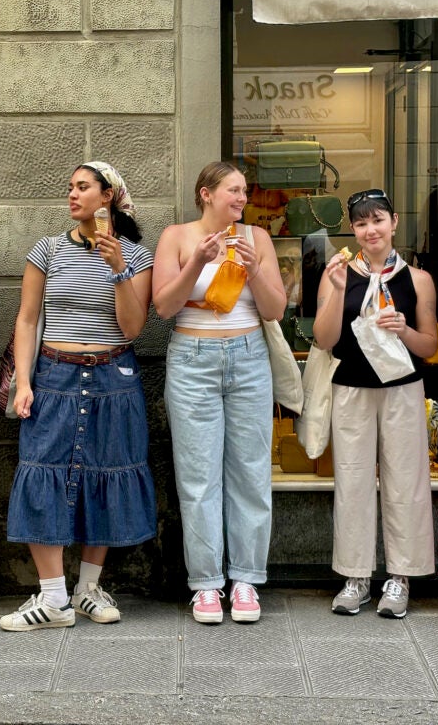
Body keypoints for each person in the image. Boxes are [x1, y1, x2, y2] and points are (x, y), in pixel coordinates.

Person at [1, 161, 156, 632]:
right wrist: (24, 381)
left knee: (107, 473)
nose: (72, 194)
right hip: (54, 374)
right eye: (70, 186)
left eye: (82, 187)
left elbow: (133, 327)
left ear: (107, 196)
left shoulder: (138, 256)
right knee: (41, 470)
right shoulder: (47, 250)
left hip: (114, 376)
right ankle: (52, 598)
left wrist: (118, 269)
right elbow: (27, 320)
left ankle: (87, 589)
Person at [152, 161, 286, 624]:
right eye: (234, 190)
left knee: (251, 470)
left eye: (245, 191)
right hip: (193, 358)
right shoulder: (177, 236)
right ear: (205, 193)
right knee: (198, 475)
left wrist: (252, 272)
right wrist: (197, 264)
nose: (243, 198)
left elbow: (275, 310)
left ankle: (246, 579)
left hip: (249, 356)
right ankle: (206, 585)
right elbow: (165, 307)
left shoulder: (257, 240)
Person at [313, 189, 438, 619]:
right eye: (362, 223)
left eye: (378, 220)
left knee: (407, 479)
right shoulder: (338, 272)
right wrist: (333, 290)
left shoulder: (418, 279)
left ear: (394, 222)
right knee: (351, 480)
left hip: (403, 387)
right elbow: (325, 340)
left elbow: (431, 345)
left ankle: (401, 576)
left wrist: (403, 329)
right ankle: (355, 576)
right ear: (353, 229)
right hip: (351, 387)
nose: (371, 230)